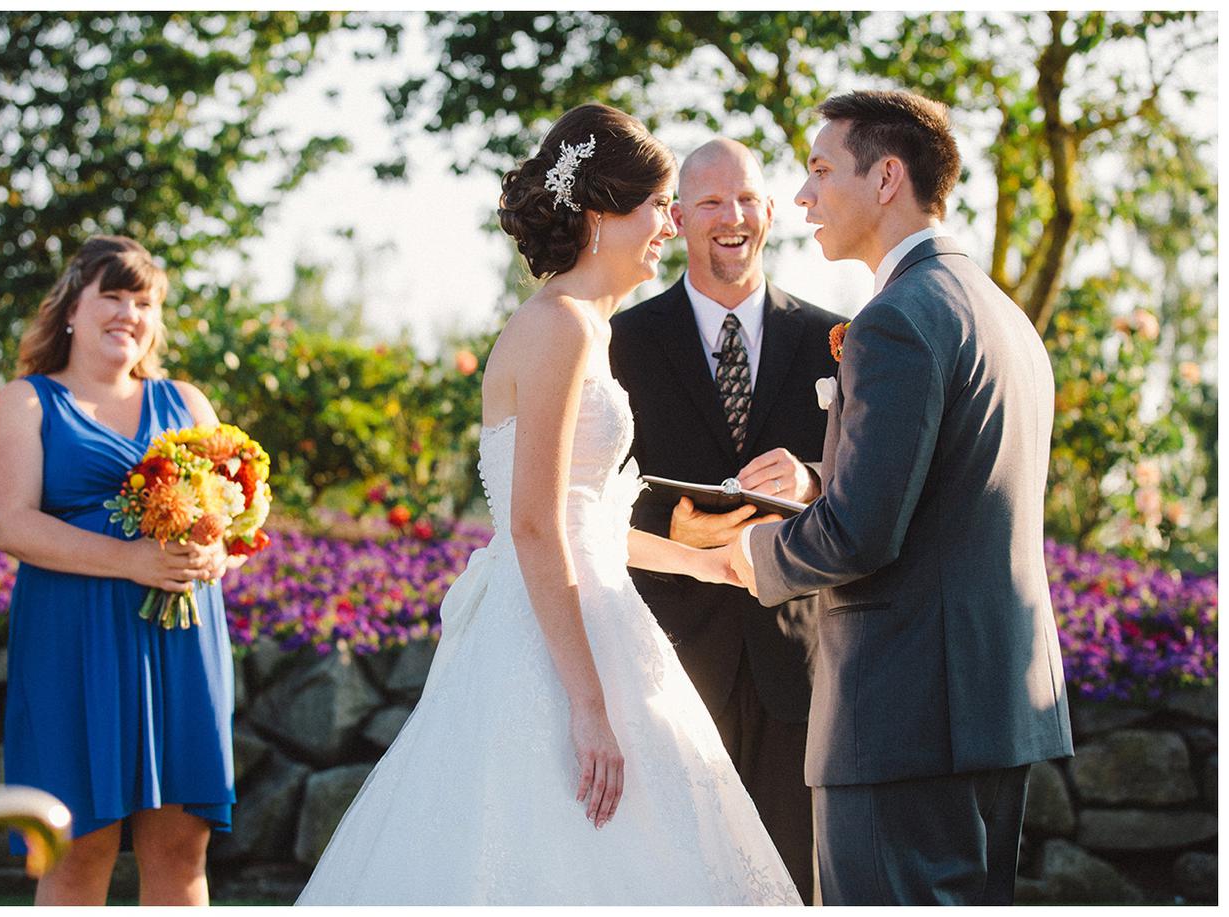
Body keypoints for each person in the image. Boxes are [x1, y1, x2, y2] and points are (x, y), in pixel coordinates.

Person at [296, 103, 800, 906]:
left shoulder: (587, 328)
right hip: (552, 643)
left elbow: (586, 521)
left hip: (590, 610)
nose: (670, 224)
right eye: (658, 205)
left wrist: (706, 563)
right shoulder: (559, 327)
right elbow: (533, 525)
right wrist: (590, 706)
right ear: (602, 213)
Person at [730, 89, 1074, 905]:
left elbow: (859, 534)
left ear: (887, 178)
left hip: (901, 719)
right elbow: (950, 489)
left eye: (821, 170)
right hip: (999, 705)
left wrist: (750, 553)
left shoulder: (896, 319)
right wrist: (819, 480)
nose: (803, 196)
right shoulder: (1000, 313)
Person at [610, 138, 843, 901]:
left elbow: (874, 477)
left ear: (770, 211)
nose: (731, 216)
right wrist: (668, 529)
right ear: (678, 219)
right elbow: (588, 490)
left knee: (788, 885)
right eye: (710, 201)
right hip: (668, 657)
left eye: (746, 198)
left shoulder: (837, 338)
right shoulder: (620, 340)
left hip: (795, 661)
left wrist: (812, 478)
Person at [0, 236, 238, 905]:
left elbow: (230, 518)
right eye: (113, 296)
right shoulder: (26, 403)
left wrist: (217, 552)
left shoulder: (188, 402)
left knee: (181, 848)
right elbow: (12, 524)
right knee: (77, 848)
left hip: (180, 642)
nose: (129, 313)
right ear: (72, 307)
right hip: (73, 642)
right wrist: (133, 560)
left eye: (144, 302)